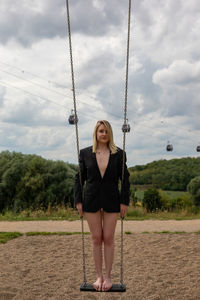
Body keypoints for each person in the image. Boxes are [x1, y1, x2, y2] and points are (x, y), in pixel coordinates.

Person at [74, 120, 130, 292]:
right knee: (96, 239)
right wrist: (78, 201)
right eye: (100, 131)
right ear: (96, 134)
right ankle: (98, 277)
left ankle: (108, 277)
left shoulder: (119, 154)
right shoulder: (85, 153)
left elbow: (125, 179)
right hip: (91, 199)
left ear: (110, 133)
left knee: (109, 238)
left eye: (106, 131)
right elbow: (79, 178)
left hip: (112, 200)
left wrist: (124, 201)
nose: (103, 134)